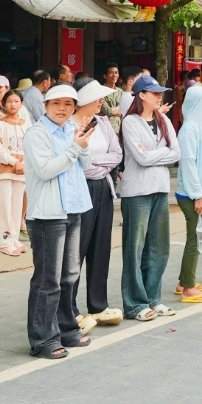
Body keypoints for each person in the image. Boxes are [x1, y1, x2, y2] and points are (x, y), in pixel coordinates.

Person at [21, 83, 94, 358]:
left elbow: (83, 165)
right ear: (46, 105)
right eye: (56, 104)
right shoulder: (36, 134)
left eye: (68, 104)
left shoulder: (68, 131)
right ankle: (42, 339)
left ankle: (66, 329)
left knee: (69, 276)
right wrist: (76, 147)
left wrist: (81, 144)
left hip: (73, 209)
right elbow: (46, 170)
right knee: (47, 280)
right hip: (48, 215)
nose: (62, 109)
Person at [119, 76, 181, 322]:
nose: (159, 97)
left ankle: (153, 298)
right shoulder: (130, 122)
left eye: (160, 93)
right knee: (135, 248)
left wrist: (157, 153)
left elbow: (176, 153)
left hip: (160, 189)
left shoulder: (164, 119)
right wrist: (163, 153)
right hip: (137, 192)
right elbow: (141, 159)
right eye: (154, 93)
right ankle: (134, 303)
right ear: (141, 95)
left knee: (159, 246)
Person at [70, 79, 123, 328]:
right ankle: (70, 307)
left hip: (103, 186)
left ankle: (98, 304)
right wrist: (94, 162)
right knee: (77, 249)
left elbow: (117, 154)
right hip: (80, 189)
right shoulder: (70, 124)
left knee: (101, 246)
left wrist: (93, 161)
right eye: (97, 97)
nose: (102, 101)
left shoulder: (102, 122)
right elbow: (79, 161)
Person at [175, 85, 202, 304]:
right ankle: (188, 288)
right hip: (193, 193)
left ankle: (185, 281)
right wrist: (198, 195)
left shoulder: (200, 126)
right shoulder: (190, 129)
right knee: (196, 239)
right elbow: (188, 164)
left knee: (198, 237)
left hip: (200, 191)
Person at [0, 90, 30, 255]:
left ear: (22, 104)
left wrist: (23, 164)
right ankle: (4, 241)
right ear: (3, 105)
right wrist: (15, 162)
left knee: (17, 207)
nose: (13, 104)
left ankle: (14, 239)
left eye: (16, 101)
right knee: (3, 206)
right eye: (9, 101)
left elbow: (32, 147)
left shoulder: (26, 125)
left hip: (21, 172)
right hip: (4, 172)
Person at [100, 65, 123, 134]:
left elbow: (124, 110)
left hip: (119, 128)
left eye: (116, 73)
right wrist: (119, 109)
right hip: (105, 128)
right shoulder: (100, 91)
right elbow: (107, 111)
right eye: (111, 73)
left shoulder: (120, 91)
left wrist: (115, 110)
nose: (114, 75)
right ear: (105, 76)